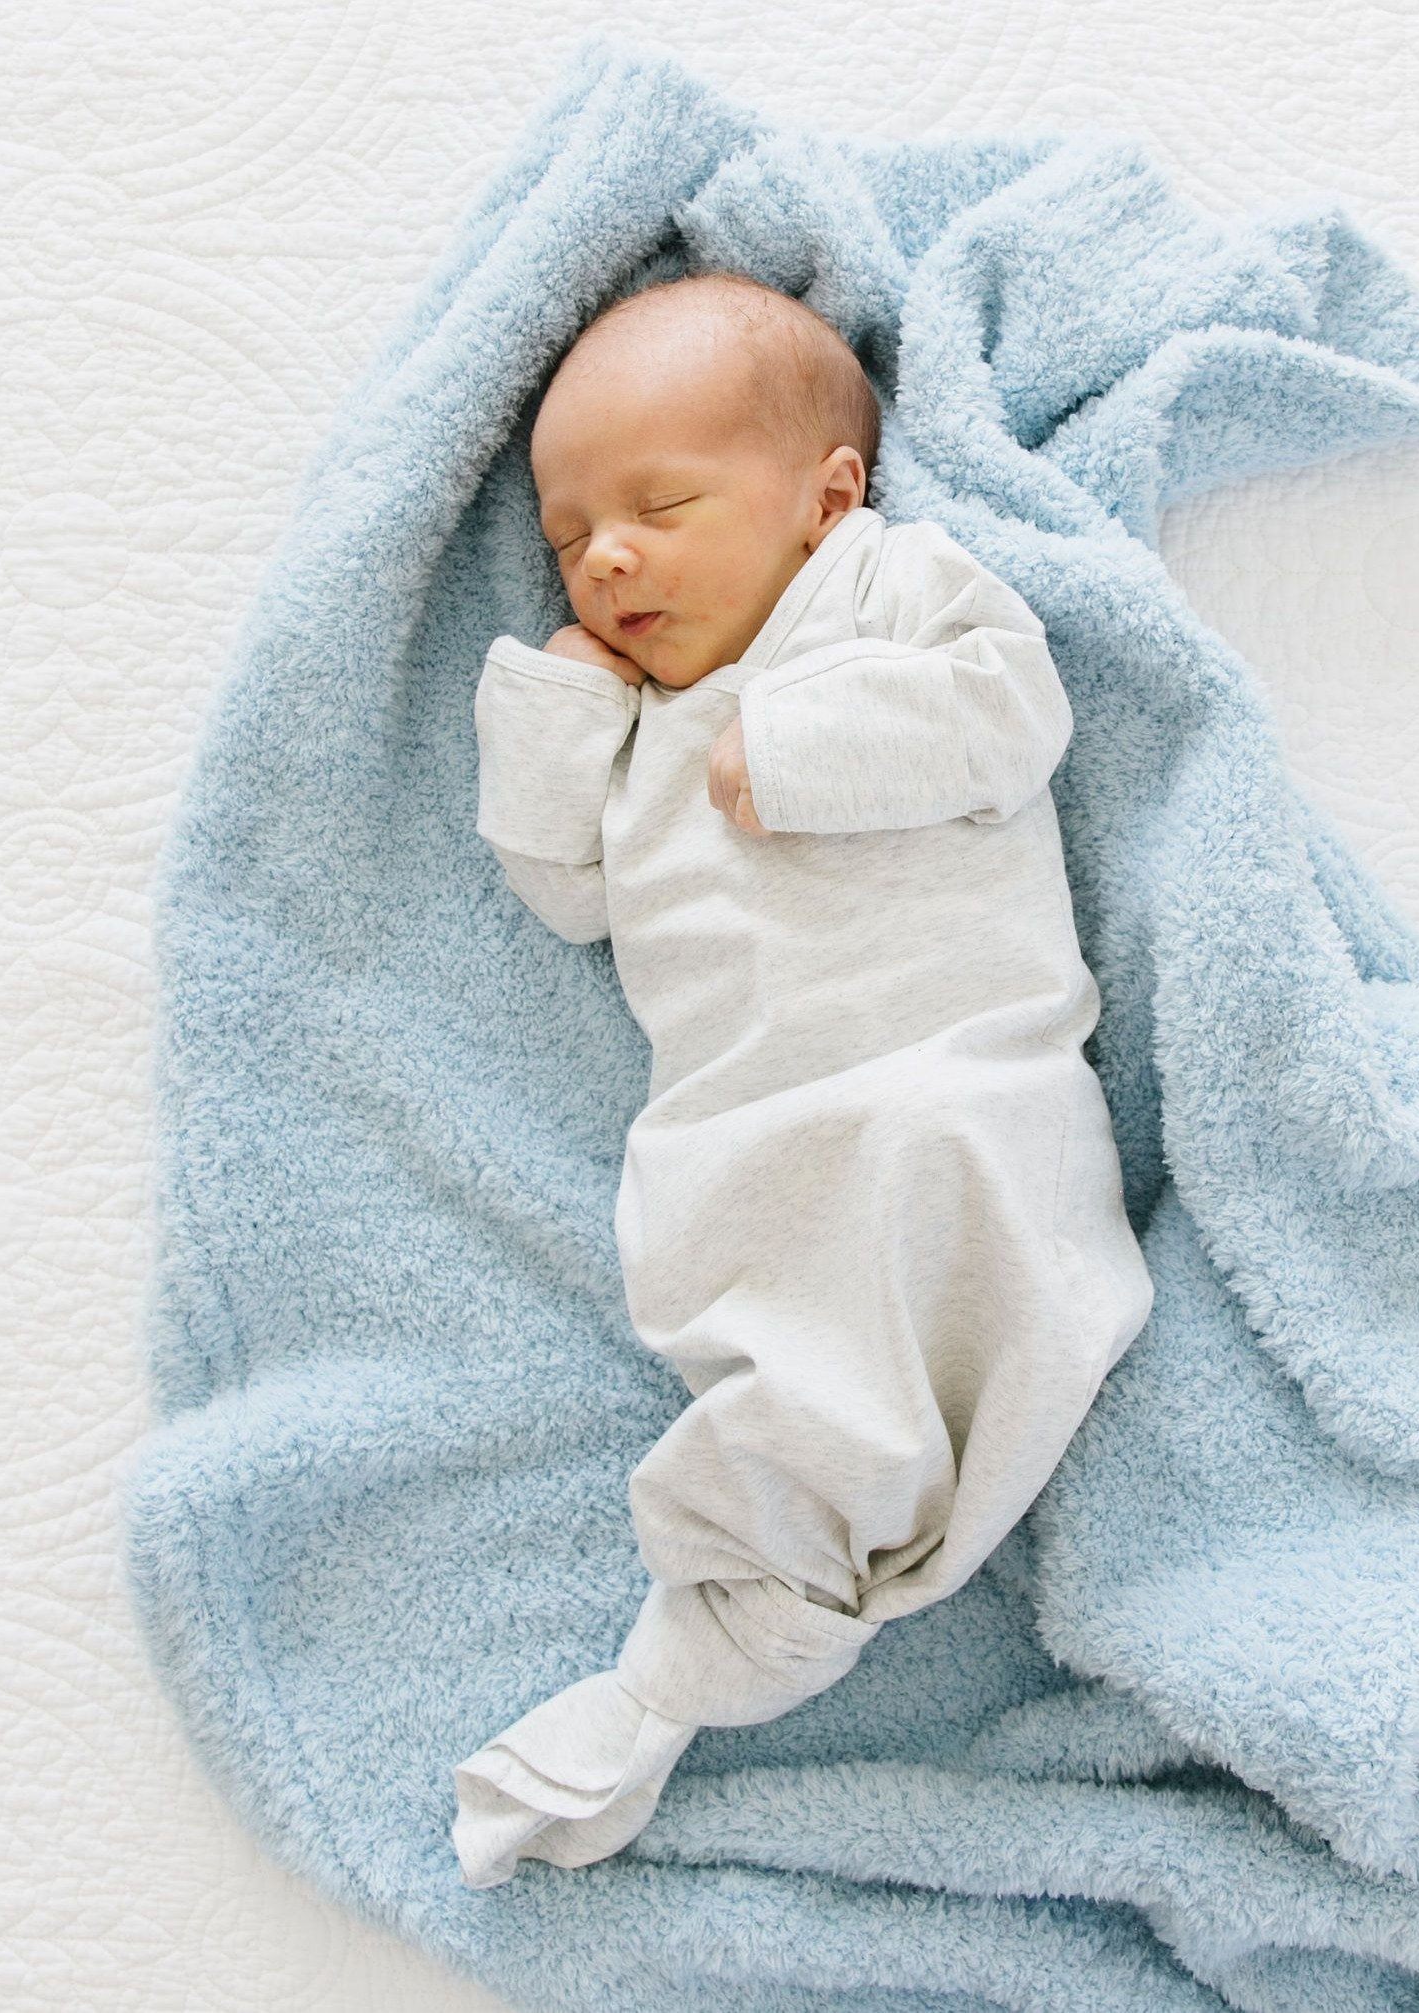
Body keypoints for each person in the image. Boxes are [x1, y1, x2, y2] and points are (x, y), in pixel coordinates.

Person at [450, 270, 1154, 1888]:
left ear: (826, 498)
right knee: (784, 1344)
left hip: (948, 1071)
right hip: (744, 1132)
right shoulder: (630, 721)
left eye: (658, 507)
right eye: (569, 538)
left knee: (938, 1201)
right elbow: (561, 885)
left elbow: (1012, 710)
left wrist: (813, 747)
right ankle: (734, 1607)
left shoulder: (889, 592)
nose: (606, 556)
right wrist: (559, 703)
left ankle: (744, 1615)